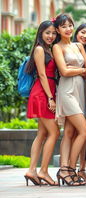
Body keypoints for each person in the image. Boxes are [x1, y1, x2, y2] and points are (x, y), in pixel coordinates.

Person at [53, 14, 86, 186]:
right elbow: (63, 72)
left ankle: (64, 169)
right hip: (67, 90)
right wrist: (80, 70)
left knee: (69, 132)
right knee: (84, 131)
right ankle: (68, 169)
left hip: (80, 90)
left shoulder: (78, 45)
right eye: (64, 26)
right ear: (58, 29)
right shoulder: (57, 47)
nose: (68, 29)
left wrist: (75, 69)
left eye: (70, 25)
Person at [24, 20, 60, 186]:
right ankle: (43, 171)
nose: (51, 36)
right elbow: (42, 75)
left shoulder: (49, 49)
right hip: (42, 93)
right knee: (54, 133)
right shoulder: (39, 49)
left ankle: (32, 170)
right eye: (47, 32)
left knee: (42, 134)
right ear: (40, 33)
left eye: (53, 33)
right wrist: (50, 98)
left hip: (47, 91)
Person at [72, 23, 86, 184]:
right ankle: (69, 168)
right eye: (82, 32)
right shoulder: (70, 48)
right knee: (72, 132)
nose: (85, 36)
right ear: (76, 33)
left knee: (85, 133)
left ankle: (82, 169)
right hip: (73, 92)